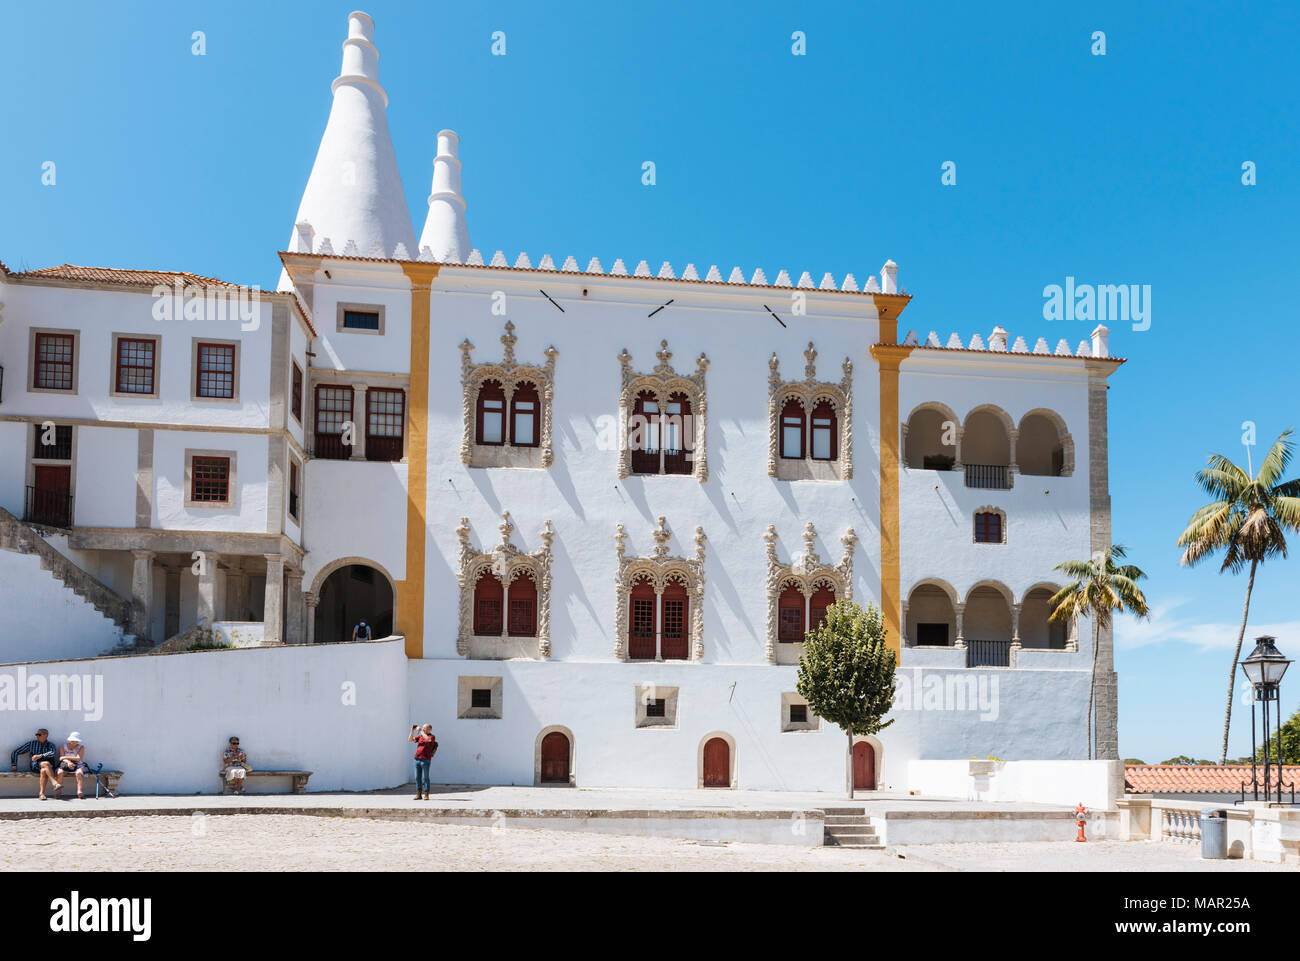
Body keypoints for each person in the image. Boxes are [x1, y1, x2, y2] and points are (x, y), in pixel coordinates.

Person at [9, 728, 58, 800]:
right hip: (35, 766)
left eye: (39, 734)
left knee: (44, 770)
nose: (37, 736)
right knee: (46, 763)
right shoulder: (32, 744)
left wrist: (40, 756)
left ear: (46, 735)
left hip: (49, 768)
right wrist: (14, 765)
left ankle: (41, 794)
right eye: (36, 734)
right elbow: (15, 752)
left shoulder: (51, 745)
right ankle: (54, 783)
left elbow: (52, 753)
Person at [52, 732, 87, 799]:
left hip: (77, 765)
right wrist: (68, 762)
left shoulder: (81, 747)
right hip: (65, 764)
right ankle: (58, 792)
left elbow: (78, 758)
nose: (75, 742)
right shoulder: (63, 746)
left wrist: (65, 757)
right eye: (73, 741)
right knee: (60, 772)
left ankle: (79, 791)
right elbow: (61, 758)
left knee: (78, 773)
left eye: (76, 741)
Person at [408, 724, 437, 800]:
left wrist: (420, 731)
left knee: (426, 778)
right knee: (417, 777)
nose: (423, 729)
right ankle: (418, 794)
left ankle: (426, 794)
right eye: (423, 727)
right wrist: (412, 730)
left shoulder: (432, 736)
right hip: (417, 759)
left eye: (425, 728)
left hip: (426, 760)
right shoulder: (420, 736)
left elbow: (428, 739)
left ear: (429, 729)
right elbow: (410, 740)